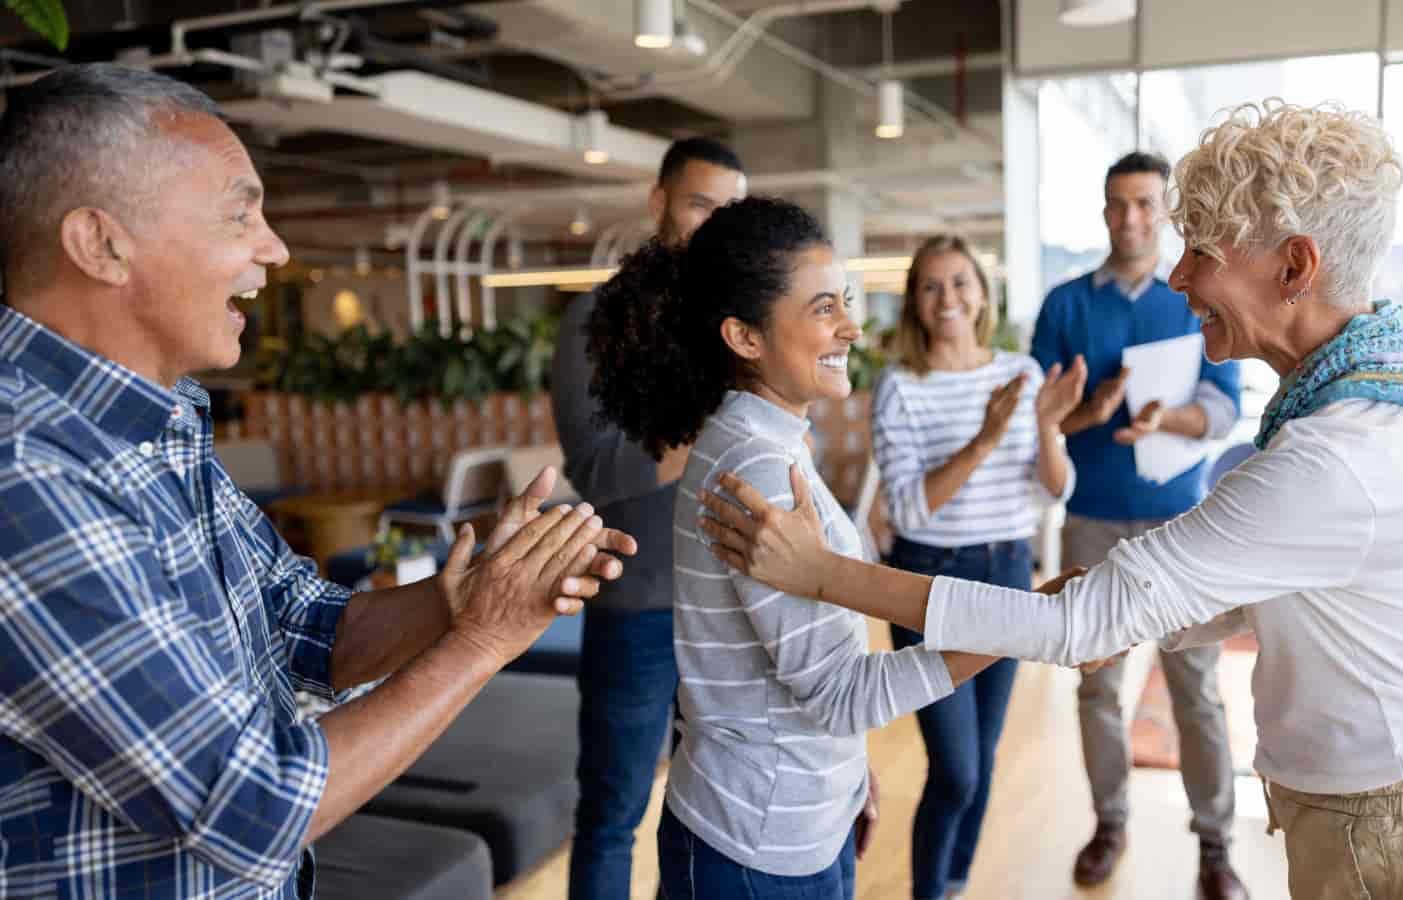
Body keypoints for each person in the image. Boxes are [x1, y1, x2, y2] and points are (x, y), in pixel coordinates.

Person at [698, 101, 1403, 899]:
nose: (1179, 277)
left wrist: (823, 574)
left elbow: (1084, 628)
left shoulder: (1338, 453)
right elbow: (1299, 596)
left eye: (1205, 253)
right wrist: (1094, 607)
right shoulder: (1383, 398)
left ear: (1296, 265)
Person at [0, 64, 636, 897]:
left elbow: (306, 629)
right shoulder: (26, 470)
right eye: (240, 214)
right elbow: (252, 804)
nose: (276, 249)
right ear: (101, 244)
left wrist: (474, 591)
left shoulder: (157, 423)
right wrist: (484, 640)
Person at [587, 196, 1000, 899]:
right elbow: (842, 693)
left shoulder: (769, 443)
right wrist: (1017, 631)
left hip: (795, 821)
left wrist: (842, 775)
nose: (849, 325)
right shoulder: (755, 470)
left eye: (844, 300)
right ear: (745, 338)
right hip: (753, 845)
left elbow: (802, 664)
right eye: (822, 309)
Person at [1030, 151, 1246, 898]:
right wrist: (1093, 411)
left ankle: (1216, 846)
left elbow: (1223, 403)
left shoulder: (1195, 296)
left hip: (1183, 527)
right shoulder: (1063, 306)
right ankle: (1110, 821)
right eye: (1118, 204)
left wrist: (1166, 416)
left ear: (1165, 211)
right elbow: (1042, 419)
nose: (1130, 218)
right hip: (1089, 519)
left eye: (1145, 204)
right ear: (1104, 211)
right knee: (1096, 688)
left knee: (1197, 692)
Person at [551, 136, 747, 900]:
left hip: (733, 606)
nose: (713, 225)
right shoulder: (595, 320)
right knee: (612, 815)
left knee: (716, 816)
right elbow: (601, 471)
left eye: (730, 211)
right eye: (701, 204)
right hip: (638, 608)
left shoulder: (743, 322)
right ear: (659, 202)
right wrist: (714, 418)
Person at [874, 233, 1082, 900]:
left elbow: (1055, 489)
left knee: (983, 760)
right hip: (929, 583)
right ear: (915, 302)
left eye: (960, 282)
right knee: (956, 768)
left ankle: (955, 882)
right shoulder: (900, 387)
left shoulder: (1016, 373)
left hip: (1007, 572)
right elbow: (907, 511)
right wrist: (984, 440)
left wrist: (1047, 427)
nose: (948, 298)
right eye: (931, 286)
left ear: (982, 293)